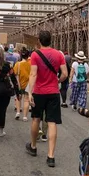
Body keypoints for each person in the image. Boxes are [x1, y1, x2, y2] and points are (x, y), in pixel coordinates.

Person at [25, 31, 67, 168]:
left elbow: (33, 74)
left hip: (39, 92)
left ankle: (33, 146)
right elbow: (65, 74)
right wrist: (58, 80)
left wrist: (30, 92)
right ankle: (51, 156)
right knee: (52, 122)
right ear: (51, 40)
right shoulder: (59, 55)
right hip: (53, 92)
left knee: (36, 118)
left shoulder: (35, 54)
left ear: (39, 40)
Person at [13, 48, 31, 121]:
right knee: (26, 100)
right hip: (28, 84)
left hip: (19, 83)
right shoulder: (30, 64)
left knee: (18, 98)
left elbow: (15, 74)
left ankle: (18, 112)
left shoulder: (18, 64)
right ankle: (25, 116)